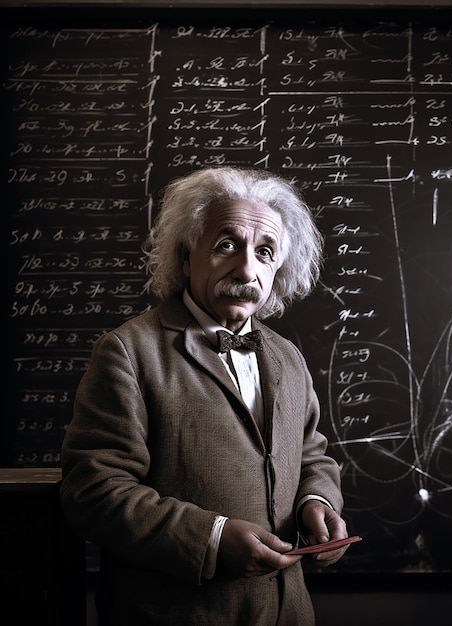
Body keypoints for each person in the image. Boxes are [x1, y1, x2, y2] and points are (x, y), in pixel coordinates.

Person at [60, 166, 350, 625]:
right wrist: (211, 538)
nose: (247, 268)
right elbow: (93, 493)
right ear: (187, 254)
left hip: (288, 613)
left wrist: (319, 501)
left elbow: (311, 453)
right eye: (227, 245)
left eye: (265, 251)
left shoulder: (288, 356)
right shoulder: (128, 351)